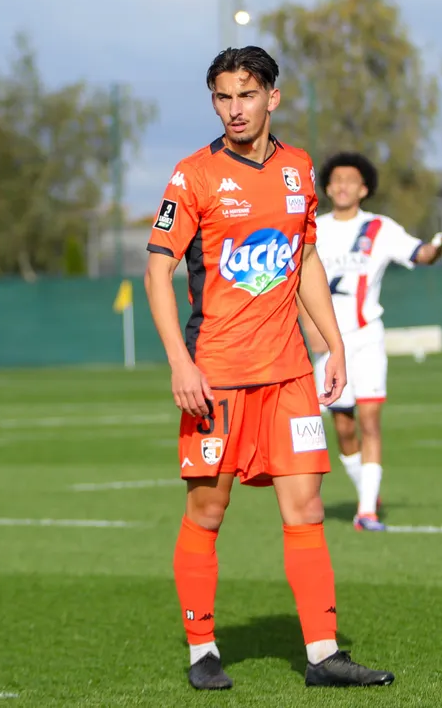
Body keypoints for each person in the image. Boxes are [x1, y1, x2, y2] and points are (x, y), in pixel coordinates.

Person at [143, 46, 395, 692]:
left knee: (307, 509)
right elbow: (157, 271)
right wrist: (179, 362)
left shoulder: (297, 169)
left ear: (272, 98)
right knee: (208, 509)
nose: (235, 109)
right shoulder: (192, 176)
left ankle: (322, 651)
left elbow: (304, 258)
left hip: (287, 375)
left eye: (246, 95)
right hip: (217, 376)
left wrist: (334, 346)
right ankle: (202, 649)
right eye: (223, 97)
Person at [298, 152, 442, 531]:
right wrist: (310, 327)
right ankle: (367, 490)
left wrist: (436, 244)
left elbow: (420, 254)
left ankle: (366, 510)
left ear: (364, 188)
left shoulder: (379, 229)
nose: (342, 186)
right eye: (336, 180)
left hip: (367, 338)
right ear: (328, 187)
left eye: (351, 180)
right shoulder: (312, 229)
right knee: (344, 428)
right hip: (328, 343)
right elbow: (296, 283)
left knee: (369, 419)